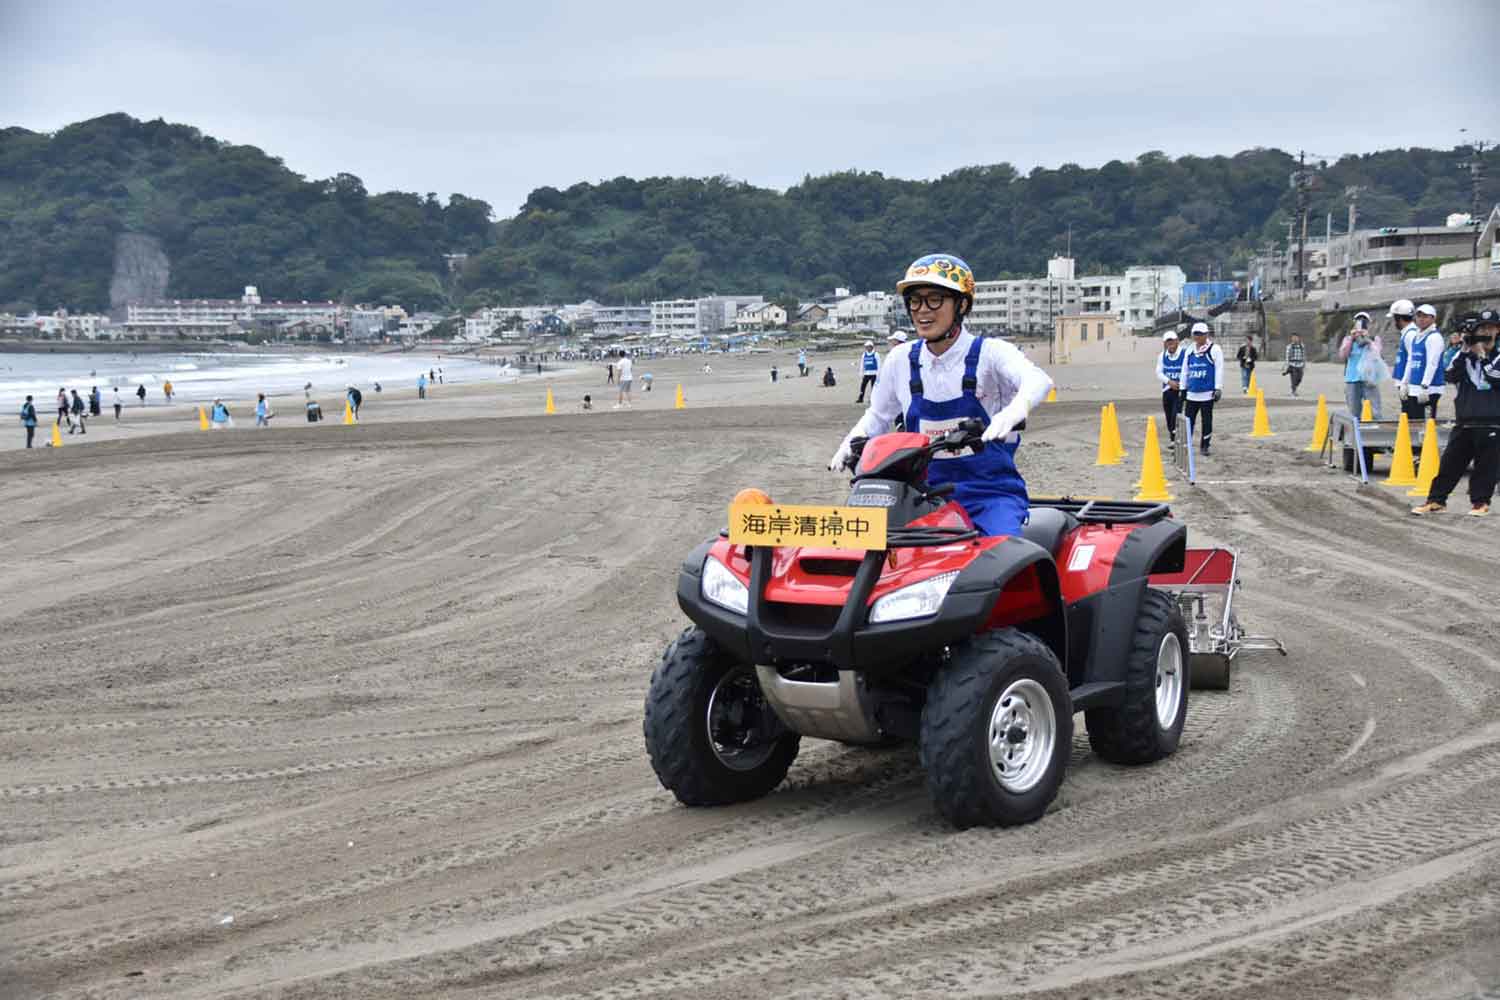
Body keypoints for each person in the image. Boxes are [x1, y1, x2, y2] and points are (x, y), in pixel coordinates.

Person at [827, 252, 1052, 537]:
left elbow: (1038, 379)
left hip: (989, 497)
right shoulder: (900, 359)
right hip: (921, 497)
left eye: (934, 299)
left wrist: (1015, 409)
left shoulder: (991, 353)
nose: (922, 310)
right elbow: (878, 415)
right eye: (915, 300)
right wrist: (849, 443)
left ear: (962, 304)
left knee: (1003, 553)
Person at [1411, 309, 1500, 517]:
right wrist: (1465, 348)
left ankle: (1480, 503)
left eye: (1491, 329)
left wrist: (1483, 355)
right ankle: (1436, 500)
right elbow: (1449, 373)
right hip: (1465, 418)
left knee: (1485, 467)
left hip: (1492, 420)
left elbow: (1495, 377)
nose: (1486, 333)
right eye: (1482, 329)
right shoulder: (1466, 353)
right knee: (1450, 463)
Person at [1181, 322, 1224, 455]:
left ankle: (1205, 445)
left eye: (1200, 334)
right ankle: (1185, 444)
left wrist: (1218, 388)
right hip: (1192, 393)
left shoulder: (1214, 349)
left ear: (1206, 335)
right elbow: (1185, 370)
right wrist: (1183, 388)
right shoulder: (1189, 350)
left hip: (1207, 393)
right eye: (1195, 334)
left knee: (1206, 421)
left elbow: (1219, 369)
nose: (1197, 337)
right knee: (1188, 421)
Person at [1401, 303, 1445, 422]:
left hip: (1430, 389)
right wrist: (1404, 383)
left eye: (1425, 316)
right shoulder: (1416, 337)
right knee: (1412, 421)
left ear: (1433, 318)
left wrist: (1425, 386)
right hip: (1414, 387)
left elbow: (1432, 363)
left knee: (1425, 424)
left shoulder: (1434, 338)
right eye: (1419, 316)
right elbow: (1411, 360)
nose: (1421, 319)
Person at [1339, 312, 1384, 420]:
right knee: (1354, 411)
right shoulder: (1348, 339)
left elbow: (1377, 354)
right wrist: (1352, 339)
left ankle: (1375, 431)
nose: (1361, 324)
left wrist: (1368, 339)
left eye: (1364, 321)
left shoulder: (1374, 338)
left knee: (1375, 410)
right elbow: (1343, 355)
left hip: (1369, 378)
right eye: (1359, 321)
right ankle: (1356, 433)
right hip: (1352, 378)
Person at [1155, 329, 1186, 443]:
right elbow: (1159, 372)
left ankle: (1175, 438)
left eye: (1172, 341)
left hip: (1179, 389)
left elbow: (1187, 370)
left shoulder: (1185, 354)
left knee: (1175, 414)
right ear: (1165, 343)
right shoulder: (1162, 356)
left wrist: (1181, 384)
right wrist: (1169, 382)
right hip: (1167, 390)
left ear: (1177, 341)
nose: (1170, 344)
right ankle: (1172, 437)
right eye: (1168, 342)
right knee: (1168, 415)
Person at [1389, 298, 1419, 411]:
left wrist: (1404, 383)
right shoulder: (1408, 333)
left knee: (1410, 415)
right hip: (1405, 382)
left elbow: (1412, 358)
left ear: (1399, 318)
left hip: (1408, 384)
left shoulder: (1410, 334)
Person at [1283, 332, 1307, 397]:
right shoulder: (1289, 346)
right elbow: (1287, 356)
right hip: (1292, 365)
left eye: (1296, 337)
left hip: (1300, 365)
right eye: (1293, 337)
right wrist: (1286, 366)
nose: (1294, 339)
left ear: (1299, 338)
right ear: (1291, 339)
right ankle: (1293, 391)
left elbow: (1304, 355)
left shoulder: (1302, 346)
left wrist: (1304, 364)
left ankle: (1294, 387)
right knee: (1293, 378)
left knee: (1299, 378)